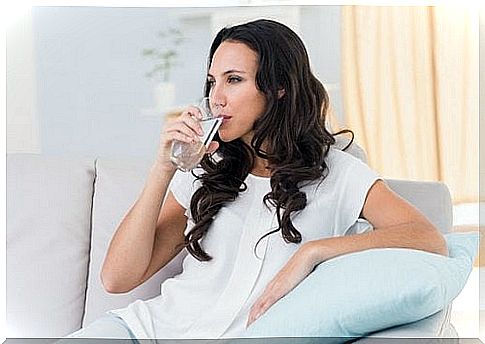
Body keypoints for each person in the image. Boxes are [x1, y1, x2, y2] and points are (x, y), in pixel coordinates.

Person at [60, 18, 448, 341]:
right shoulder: (203, 169)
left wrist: (314, 252)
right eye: (212, 82)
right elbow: (116, 278)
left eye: (234, 80)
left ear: (278, 87)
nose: (217, 98)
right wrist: (163, 170)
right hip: (147, 332)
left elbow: (427, 238)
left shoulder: (338, 172)